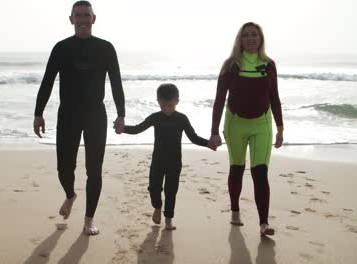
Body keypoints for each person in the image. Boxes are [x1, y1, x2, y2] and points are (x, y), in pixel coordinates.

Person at [33, 1, 125, 236]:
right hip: (68, 115)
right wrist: (38, 113)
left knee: (94, 170)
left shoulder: (105, 48)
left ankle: (88, 220)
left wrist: (121, 114)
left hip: (95, 114)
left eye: (87, 15)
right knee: (64, 168)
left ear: (94, 19)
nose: (83, 19)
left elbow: (116, 82)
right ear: (71, 19)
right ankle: (70, 195)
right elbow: (47, 81)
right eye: (78, 15)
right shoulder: (62, 48)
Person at [209, 22, 284, 236]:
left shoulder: (268, 65)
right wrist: (214, 131)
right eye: (246, 35)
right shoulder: (231, 65)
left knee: (260, 172)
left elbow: (275, 98)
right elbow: (219, 99)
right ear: (240, 40)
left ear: (260, 39)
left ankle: (264, 223)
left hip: (262, 124)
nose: (250, 38)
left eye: (254, 35)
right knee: (237, 168)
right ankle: (235, 210)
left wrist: (280, 127)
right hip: (235, 123)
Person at [119, 83, 211, 230]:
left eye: (170, 105)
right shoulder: (155, 117)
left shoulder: (182, 119)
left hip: (175, 162)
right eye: (163, 106)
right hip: (158, 161)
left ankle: (168, 220)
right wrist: (123, 129)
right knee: (153, 188)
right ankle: (157, 207)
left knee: (171, 191)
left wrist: (208, 144)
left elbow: (193, 137)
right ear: (158, 101)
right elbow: (138, 129)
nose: (167, 109)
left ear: (177, 102)